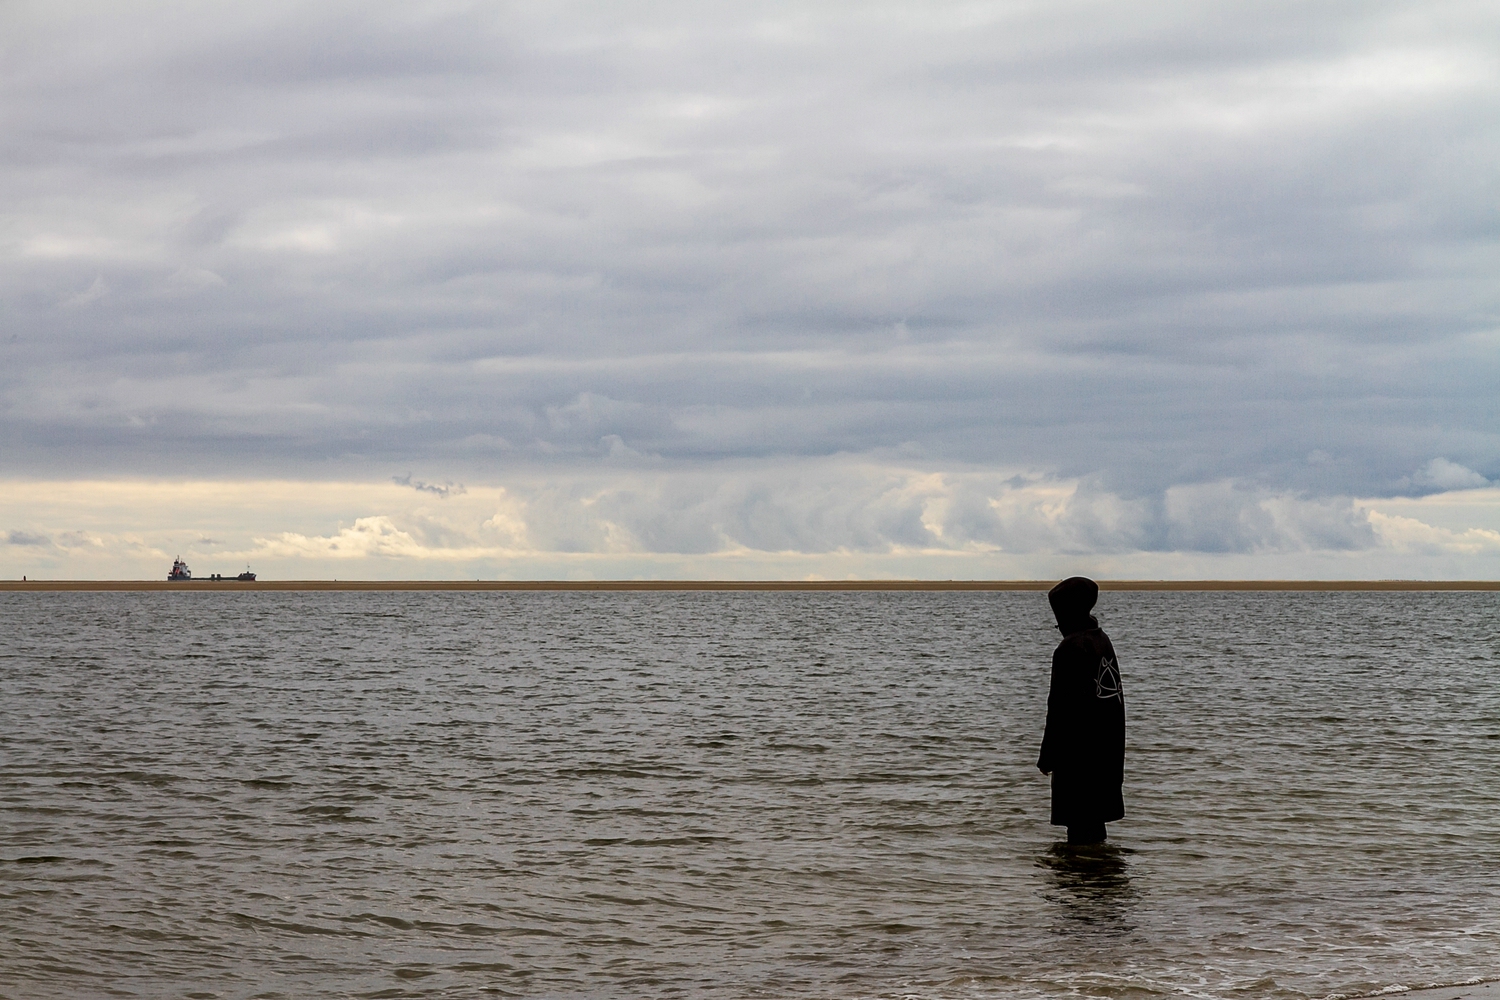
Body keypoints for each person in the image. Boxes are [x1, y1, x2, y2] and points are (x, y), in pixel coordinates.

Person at [1037, 576, 1125, 845]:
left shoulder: (1069, 649)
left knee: (1078, 830)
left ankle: (1079, 881)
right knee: (1095, 828)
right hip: (1107, 753)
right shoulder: (1102, 641)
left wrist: (1047, 756)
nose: (1059, 626)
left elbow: (1060, 709)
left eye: (1059, 620)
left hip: (1079, 758)